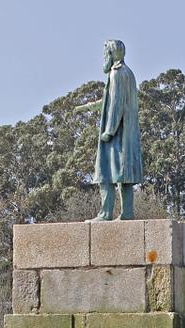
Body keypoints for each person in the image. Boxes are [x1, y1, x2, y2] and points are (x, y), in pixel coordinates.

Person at [74, 39, 142, 221]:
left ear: (111, 54)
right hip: (128, 134)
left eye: (105, 54)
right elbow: (109, 101)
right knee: (123, 175)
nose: (103, 57)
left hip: (116, 134)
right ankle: (127, 213)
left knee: (105, 172)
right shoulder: (129, 73)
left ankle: (105, 213)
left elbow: (116, 104)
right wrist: (86, 107)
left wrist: (109, 131)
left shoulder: (116, 73)